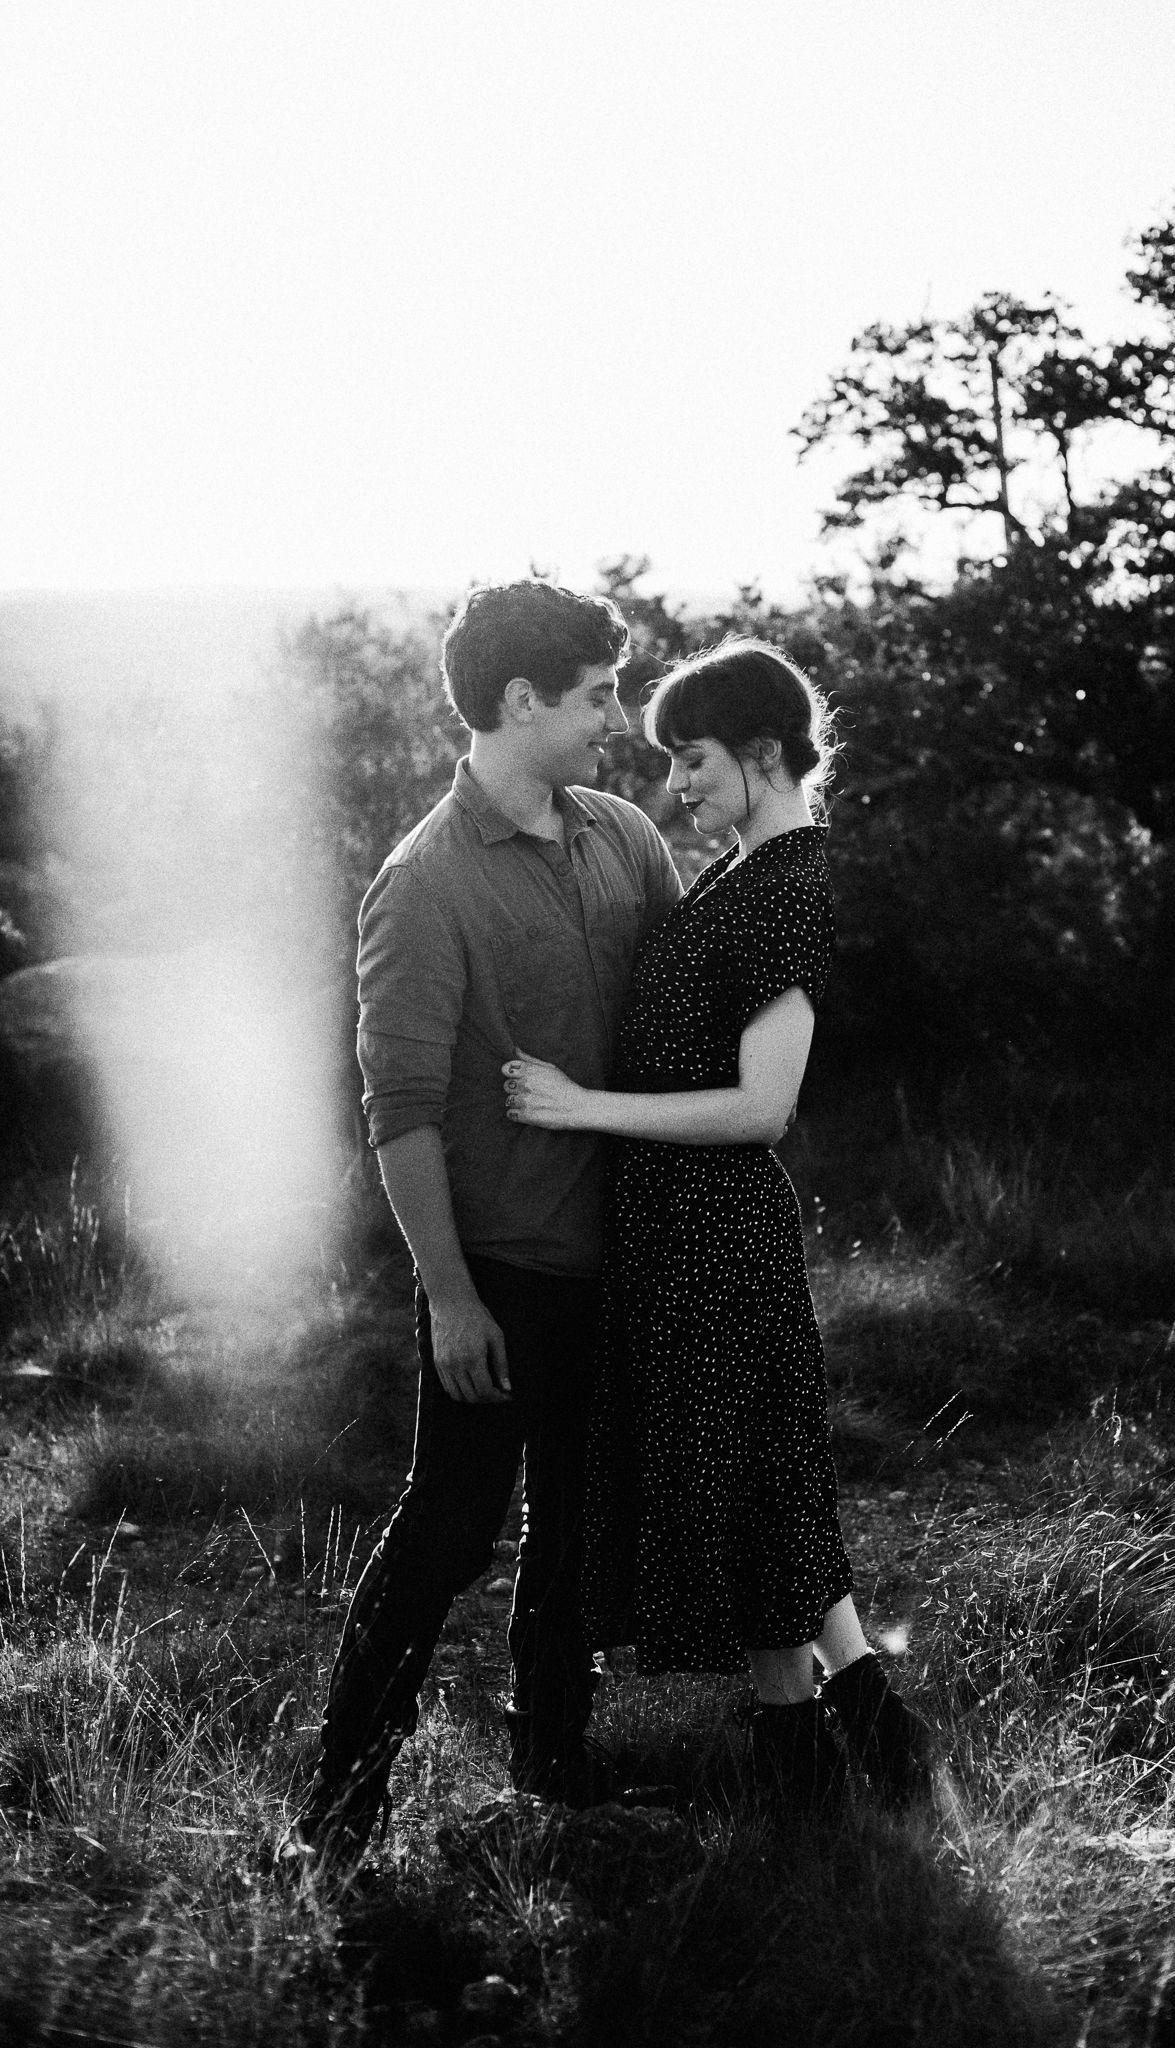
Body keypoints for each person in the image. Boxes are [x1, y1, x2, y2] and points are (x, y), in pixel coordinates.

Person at [281, 580, 681, 1878]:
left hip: (619, 1259)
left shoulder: (623, 835)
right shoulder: (423, 882)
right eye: (597, 696)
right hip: (497, 1274)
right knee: (448, 1534)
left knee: (577, 1528)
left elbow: (682, 1011)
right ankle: (337, 1808)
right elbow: (397, 1111)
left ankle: (553, 1770)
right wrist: (450, 1296)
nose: (613, 720)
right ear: (520, 699)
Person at [503, 637, 933, 1811]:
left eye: (690, 758)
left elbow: (760, 1107)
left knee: (750, 1496)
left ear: (760, 750)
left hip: (716, 1239)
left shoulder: (786, 886)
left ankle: (812, 1781)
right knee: (763, 1492)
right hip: (674, 1235)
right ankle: (864, 1749)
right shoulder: (741, 872)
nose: (676, 783)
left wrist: (581, 1107)